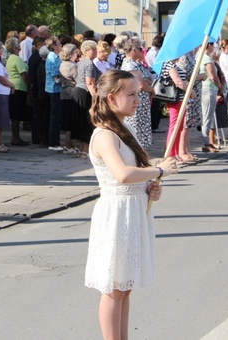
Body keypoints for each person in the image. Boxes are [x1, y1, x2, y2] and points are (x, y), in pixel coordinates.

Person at [84, 70, 177, 340]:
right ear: (112, 98)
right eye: (132, 95)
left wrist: (150, 186)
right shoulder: (104, 135)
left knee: (125, 287)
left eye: (138, 94)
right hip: (116, 214)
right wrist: (158, 171)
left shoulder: (125, 129)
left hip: (133, 211)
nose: (139, 99)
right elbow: (122, 174)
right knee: (113, 287)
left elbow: (137, 172)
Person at [120, 38, 154, 148]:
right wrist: (152, 90)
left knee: (140, 128)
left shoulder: (135, 64)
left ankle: (139, 151)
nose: (142, 52)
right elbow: (141, 85)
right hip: (135, 102)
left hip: (140, 102)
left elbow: (146, 78)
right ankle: (136, 153)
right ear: (134, 50)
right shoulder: (131, 65)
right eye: (140, 49)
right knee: (136, 128)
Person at [73, 40, 100, 156]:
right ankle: (86, 149)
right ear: (88, 51)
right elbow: (90, 82)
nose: (96, 51)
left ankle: (82, 148)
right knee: (87, 120)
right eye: (94, 49)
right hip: (85, 92)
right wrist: (95, 97)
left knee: (80, 120)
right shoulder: (89, 63)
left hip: (78, 91)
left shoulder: (82, 62)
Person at [5, 37, 30, 146]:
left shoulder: (10, 58)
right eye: (18, 43)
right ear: (16, 47)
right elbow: (23, 74)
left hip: (12, 87)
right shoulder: (17, 59)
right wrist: (30, 86)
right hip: (19, 87)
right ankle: (16, 138)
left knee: (15, 114)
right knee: (17, 114)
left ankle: (15, 137)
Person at [200, 42, 221, 153]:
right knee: (207, 116)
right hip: (209, 88)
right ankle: (206, 142)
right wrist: (220, 86)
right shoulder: (207, 58)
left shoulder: (199, 56)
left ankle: (206, 141)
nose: (213, 47)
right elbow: (213, 76)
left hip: (203, 88)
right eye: (212, 44)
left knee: (206, 115)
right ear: (208, 45)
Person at [59, 43, 80, 154]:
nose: (77, 54)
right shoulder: (73, 66)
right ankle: (68, 144)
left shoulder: (62, 64)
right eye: (76, 52)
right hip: (71, 93)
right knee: (70, 120)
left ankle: (69, 144)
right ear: (71, 53)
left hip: (63, 93)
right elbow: (78, 79)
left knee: (67, 119)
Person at [45, 36, 64, 151]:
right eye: (59, 43)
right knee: (54, 117)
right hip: (54, 90)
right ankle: (53, 143)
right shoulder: (52, 57)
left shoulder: (56, 57)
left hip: (56, 90)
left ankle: (55, 141)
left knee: (56, 116)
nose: (61, 45)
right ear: (53, 46)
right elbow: (56, 76)